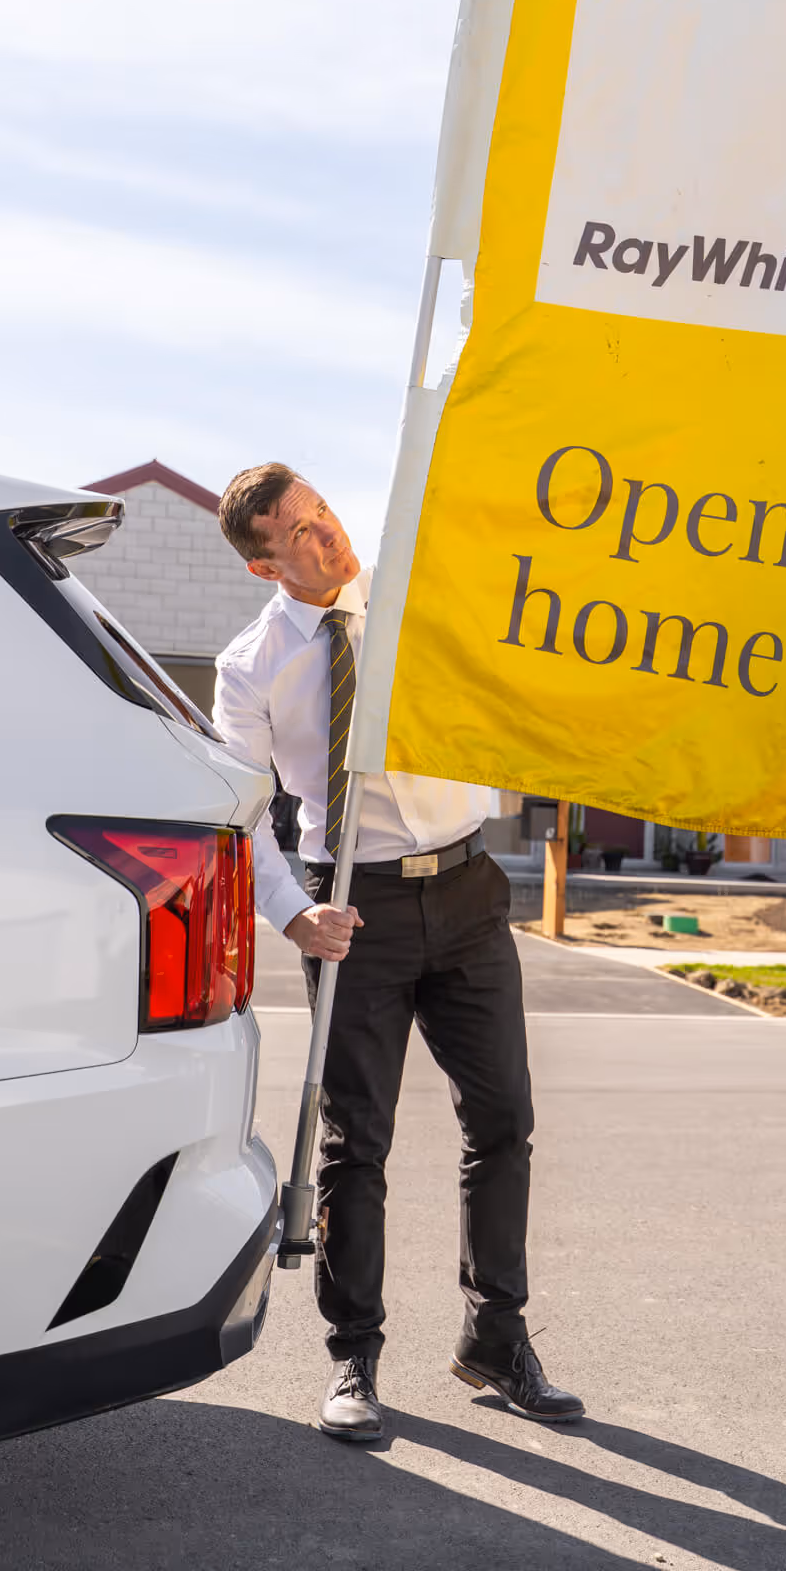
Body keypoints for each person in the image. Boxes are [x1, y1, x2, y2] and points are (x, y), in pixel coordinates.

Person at [212, 461, 584, 1442]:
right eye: (295, 536)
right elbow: (241, 816)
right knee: (353, 1145)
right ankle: (352, 1361)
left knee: (503, 1119)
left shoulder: (422, 601)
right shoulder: (251, 667)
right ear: (263, 567)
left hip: (464, 893)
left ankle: (495, 1338)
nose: (324, 538)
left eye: (322, 515)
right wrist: (293, 913)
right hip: (352, 911)